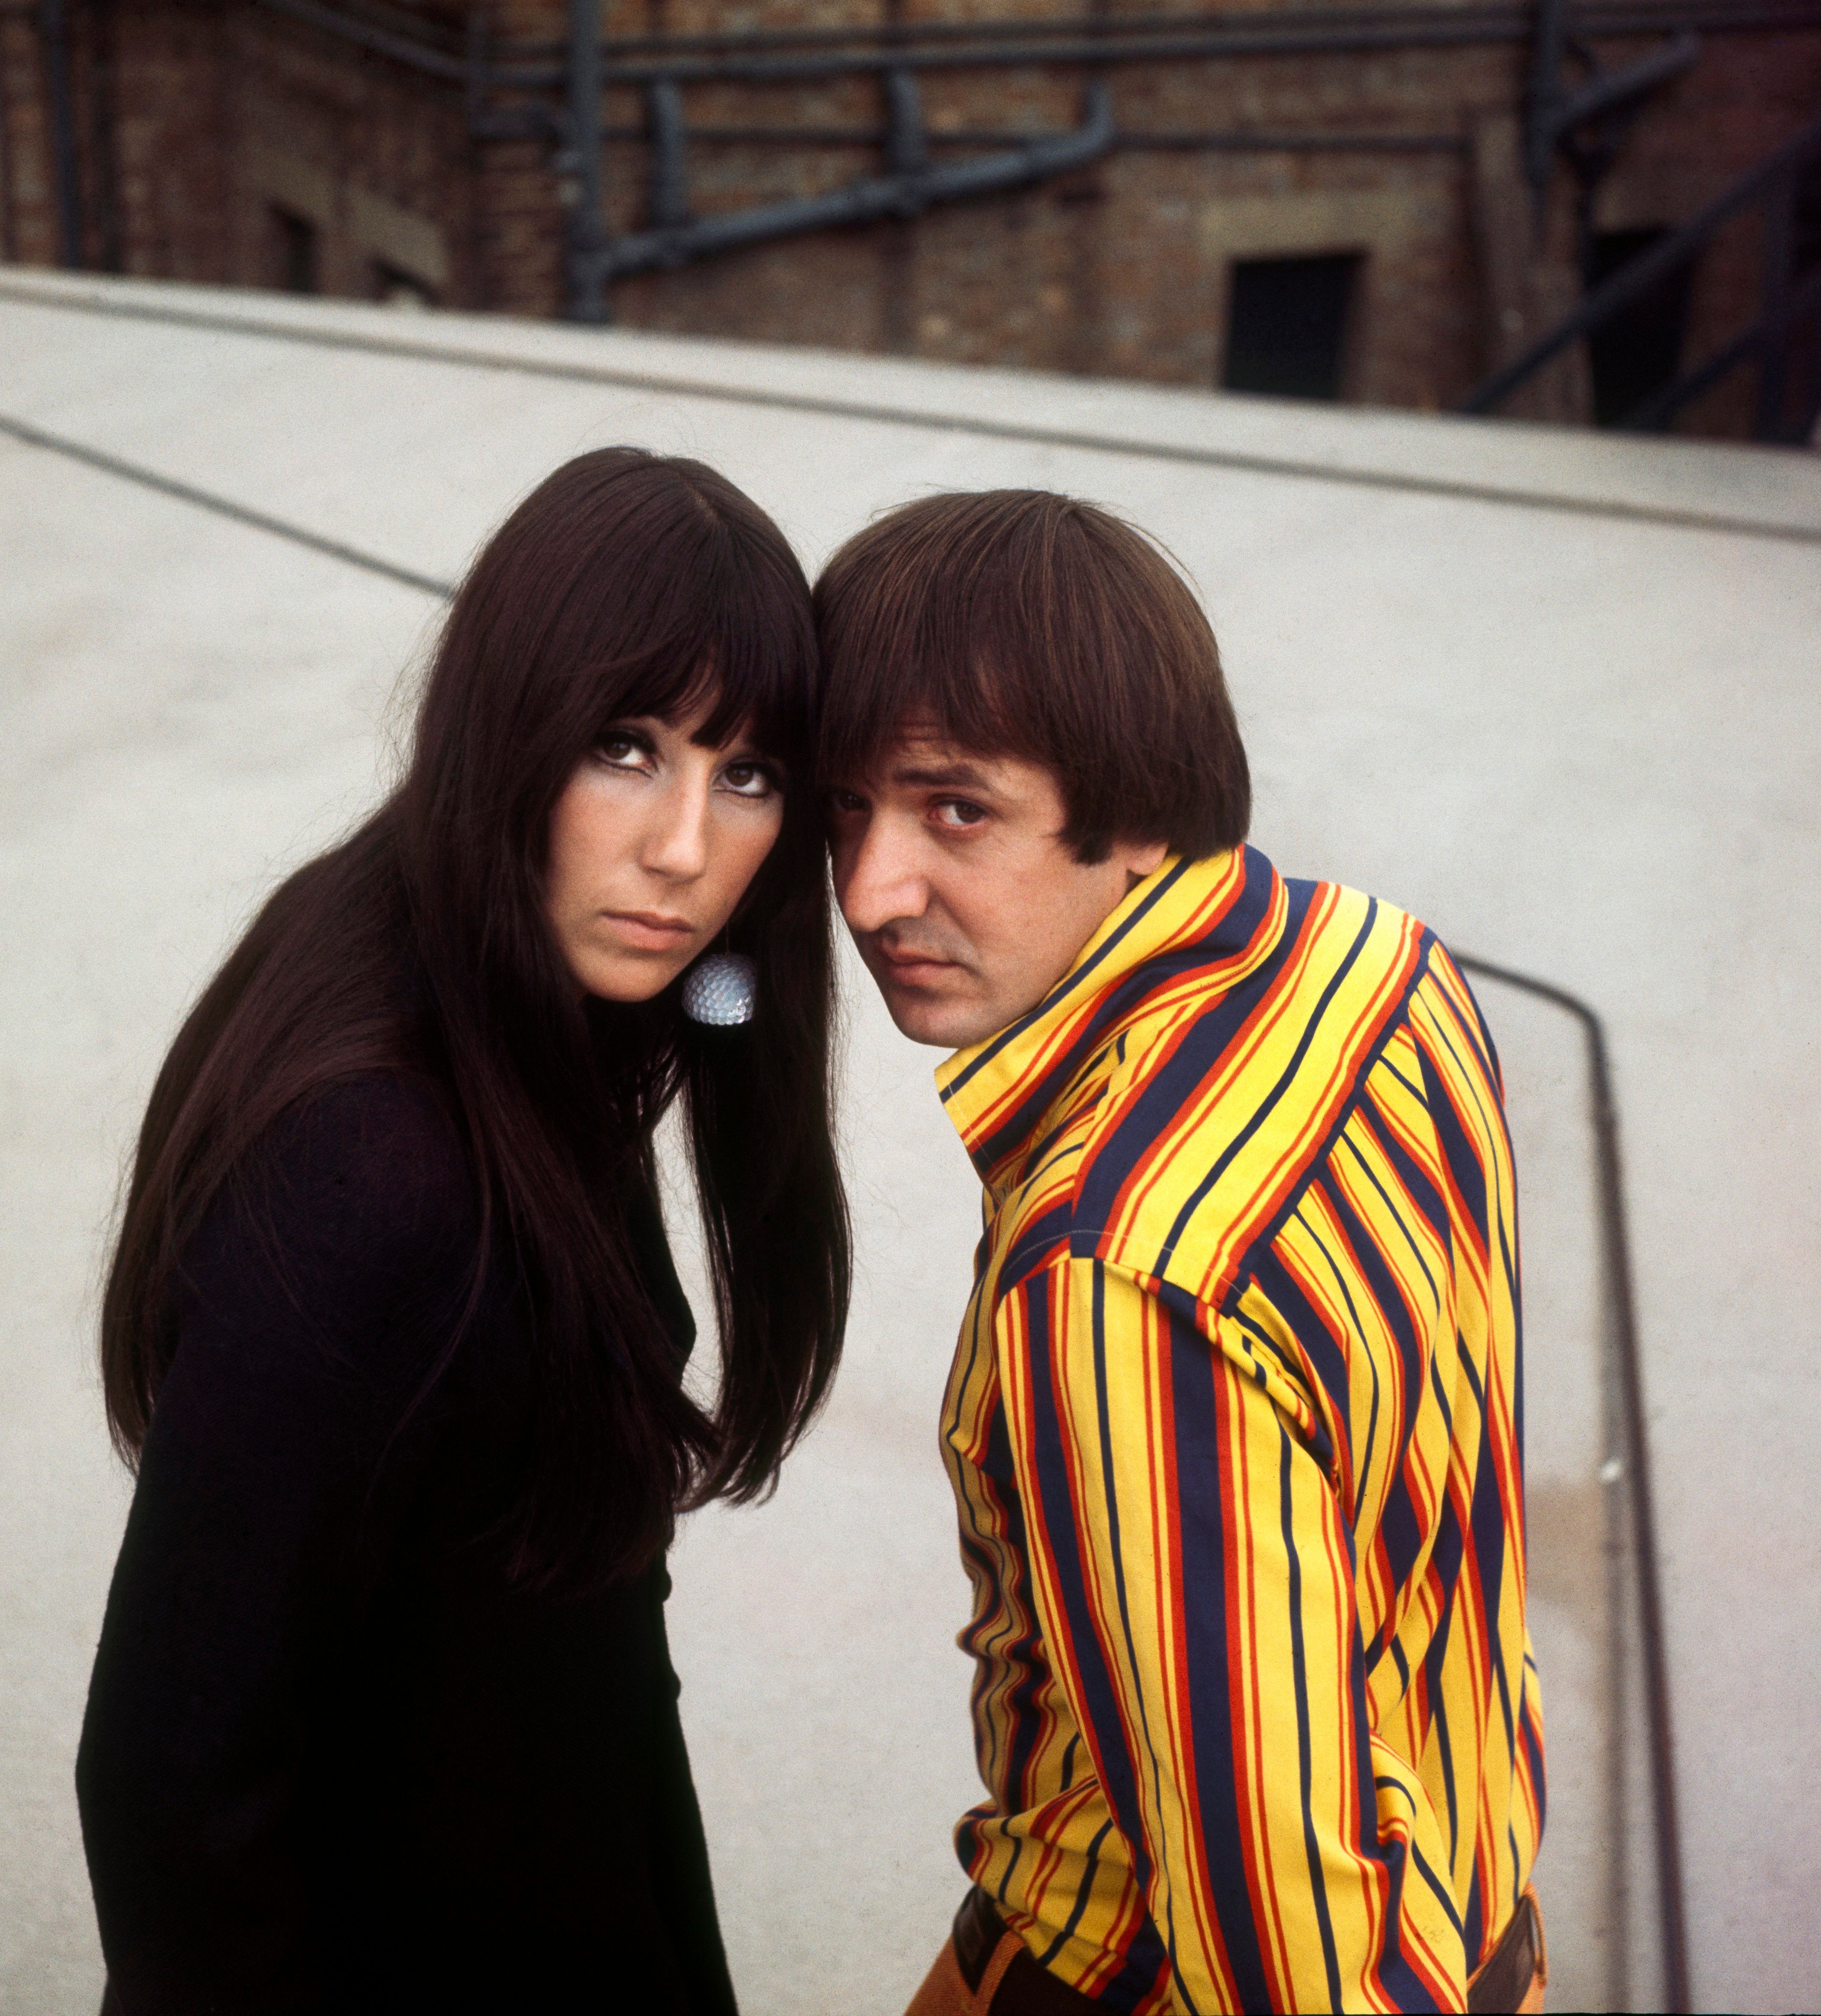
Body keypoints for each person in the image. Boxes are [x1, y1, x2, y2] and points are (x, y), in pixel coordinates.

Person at [77, 447, 851, 2014]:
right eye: (626, 748)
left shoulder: (489, 969)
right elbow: (167, 1783)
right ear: (510, 727)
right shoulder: (375, 1173)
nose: (687, 851)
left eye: (748, 773)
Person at [815, 490, 1543, 2015]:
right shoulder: (1376, 962)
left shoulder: (1115, 1283)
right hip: (1478, 1912)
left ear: (1135, 811)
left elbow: (1280, 1934)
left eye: (956, 810)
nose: (872, 894)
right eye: (845, 809)